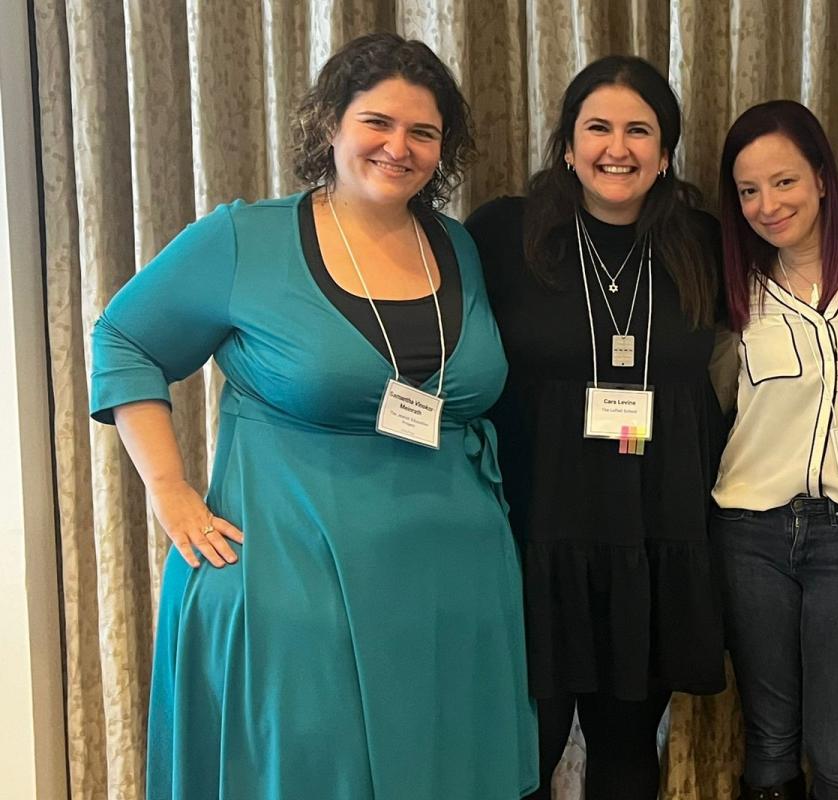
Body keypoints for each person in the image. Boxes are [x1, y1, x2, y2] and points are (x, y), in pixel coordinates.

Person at [89, 33, 538, 799]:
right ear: (330, 123)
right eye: (378, 122)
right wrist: (169, 493)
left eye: (423, 132)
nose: (399, 147)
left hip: (453, 592)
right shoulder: (245, 238)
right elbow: (124, 339)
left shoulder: (456, 247)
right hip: (298, 583)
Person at [465, 56, 725, 800]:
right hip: (531, 533)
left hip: (654, 534)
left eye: (639, 130)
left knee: (625, 749)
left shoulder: (703, 243)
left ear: (666, 152)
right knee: (524, 752)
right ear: (569, 145)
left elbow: (815, 281)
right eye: (599, 127)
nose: (619, 147)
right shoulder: (504, 232)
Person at [711, 100, 838, 800]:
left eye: (785, 181)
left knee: (836, 752)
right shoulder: (734, 285)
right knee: (769, 742)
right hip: (751, 532)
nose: (768, 204)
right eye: (748, 190)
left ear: (823, 177)